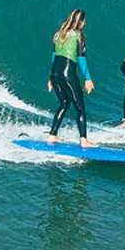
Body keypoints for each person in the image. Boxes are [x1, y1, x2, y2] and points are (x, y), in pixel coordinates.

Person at [47, 9, 96, 147]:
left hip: (55, 72)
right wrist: (88, 78)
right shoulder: (79, 35)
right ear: (82, 22)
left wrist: (50, 78)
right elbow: (81, 58)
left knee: (64, 103)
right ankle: (84, 140)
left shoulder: (58, 34)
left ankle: (52, 136)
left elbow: (53, 56)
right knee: (80, 106)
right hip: (67, 72)